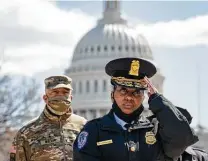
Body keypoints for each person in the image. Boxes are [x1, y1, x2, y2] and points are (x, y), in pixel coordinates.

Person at [73, 57, 198, 161]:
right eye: (123, 91)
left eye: (136, 92)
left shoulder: (156, 130)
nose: (129, 97)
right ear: (112, 95)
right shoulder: (94, 131)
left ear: (144, 96)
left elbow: (181, 140)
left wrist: (158, 100)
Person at [10, 75, 87, 161]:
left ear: (71, 97)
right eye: (55, 92)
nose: (60, 96)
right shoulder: (26, 133)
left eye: (65, 92)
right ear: (45, 98)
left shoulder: (85, 127)